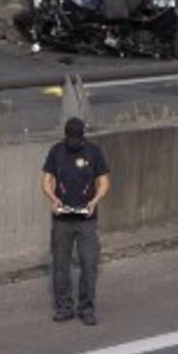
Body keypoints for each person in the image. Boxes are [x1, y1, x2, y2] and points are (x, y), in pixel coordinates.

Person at [41, 117, 111, 326]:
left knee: (89, 264)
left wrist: (95, 201)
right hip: (62, 218)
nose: (73, 143)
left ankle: (86, 308)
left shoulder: (94, 152)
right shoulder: (56, 151)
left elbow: (104, 182)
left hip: (86, 218)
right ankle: (63, 307)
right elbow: (46, 180)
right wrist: (53, 200)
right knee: (61, 266)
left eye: (76, 139)